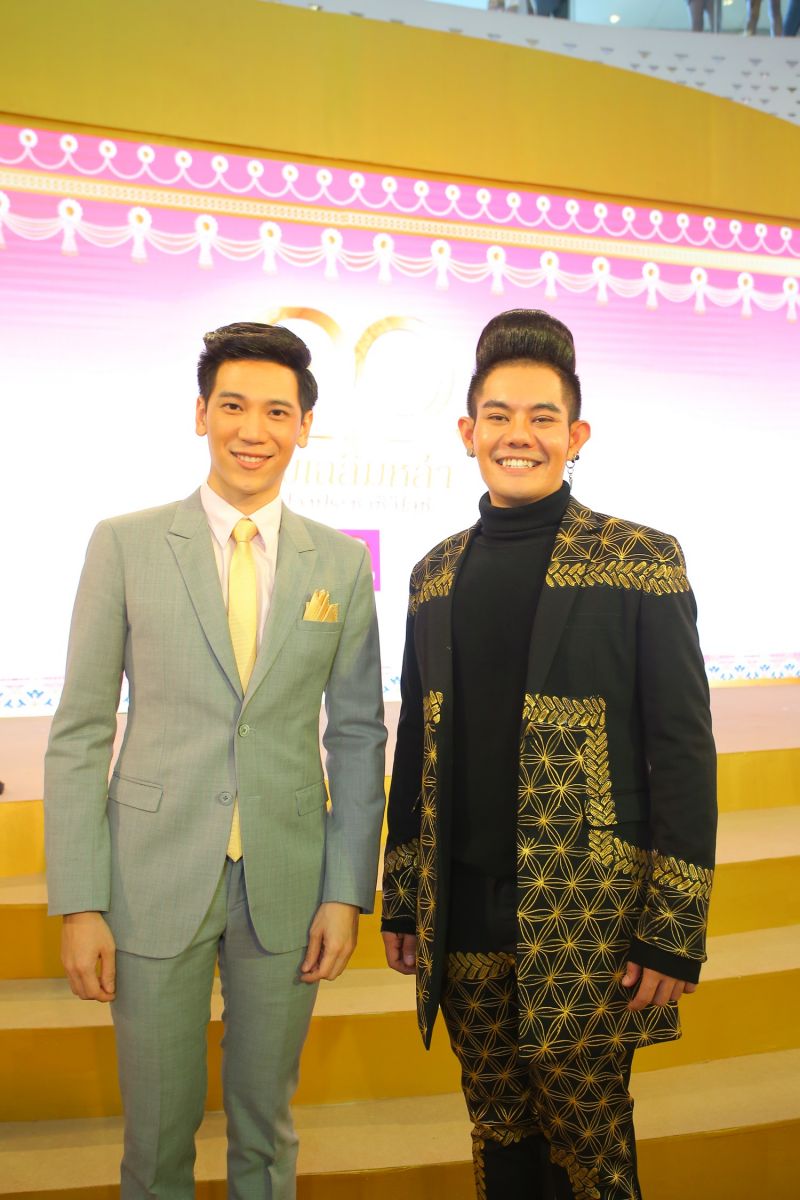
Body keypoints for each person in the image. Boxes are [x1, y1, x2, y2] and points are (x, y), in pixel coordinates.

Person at [44, 321, 386, 1199]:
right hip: (150, 876)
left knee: (265, 1133)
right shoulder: (123, 544)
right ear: (201, 414)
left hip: (289, 880)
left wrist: (346, 890)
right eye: (232, 406)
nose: (252, 429)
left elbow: (357, 736)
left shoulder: (342, 563)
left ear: (304, 426)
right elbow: (80, 730)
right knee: (157, 1137)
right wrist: (81, 901)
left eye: (276, 411)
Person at [381, 309, 716, 1199]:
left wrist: (673, 929)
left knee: (591, 1144)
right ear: (468, 432)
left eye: (541, 417)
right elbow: (418, 744)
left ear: (576, 435)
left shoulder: (640, 560)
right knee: (498, 1130)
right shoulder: (433, 573)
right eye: (498, 416)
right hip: (463, 913)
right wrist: (405, 897)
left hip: (590, 914)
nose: (517, 435)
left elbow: (683, 751)